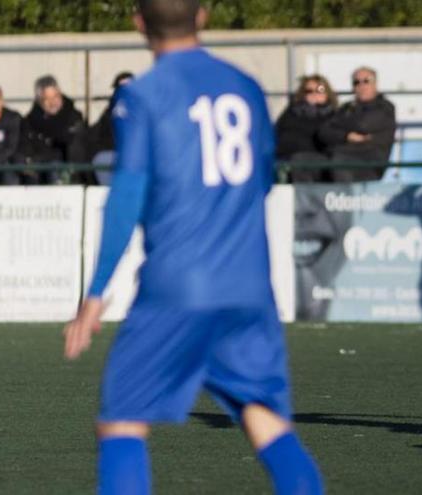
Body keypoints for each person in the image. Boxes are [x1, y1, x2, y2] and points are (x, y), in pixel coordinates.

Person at [62, 1, 323, 494]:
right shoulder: (245, 87)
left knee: (122, 422)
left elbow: (127, 198)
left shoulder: (142, 95)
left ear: (139, 23)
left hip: (177, 285)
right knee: (267, 422)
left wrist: (95, 291)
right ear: (202, 16)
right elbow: (263, 179)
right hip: (248, 287)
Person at [318, 66, 395, 182]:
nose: (361, 86)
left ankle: (344, 198)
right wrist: (347, 136)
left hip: (370, 160)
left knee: (340, 161)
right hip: (341, 153)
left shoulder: (385, 107)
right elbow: (324, 131)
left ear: (375, 84)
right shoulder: (346, 108)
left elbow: (363, 125)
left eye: (366, 81)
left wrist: (341, 127)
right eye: (356, 82)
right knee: (304, 160)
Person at [18, 75, 87, 184]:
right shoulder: (30, 121)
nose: (53, 102)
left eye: (56, 96)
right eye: (47, 99)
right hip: (39, 168)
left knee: (55, 168)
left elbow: (74, 147)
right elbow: (25, 148)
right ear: (39, 101)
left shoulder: (74, 117)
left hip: (67, 169)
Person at [276, 74, 337, 182]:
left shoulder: (333, 115)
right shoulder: (292, 111)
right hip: (284, 156)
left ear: (327, 93)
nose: (314, 94)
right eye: (309, 90)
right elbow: (278, 131)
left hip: (311, 158)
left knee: (302, 161)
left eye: (320, 89)